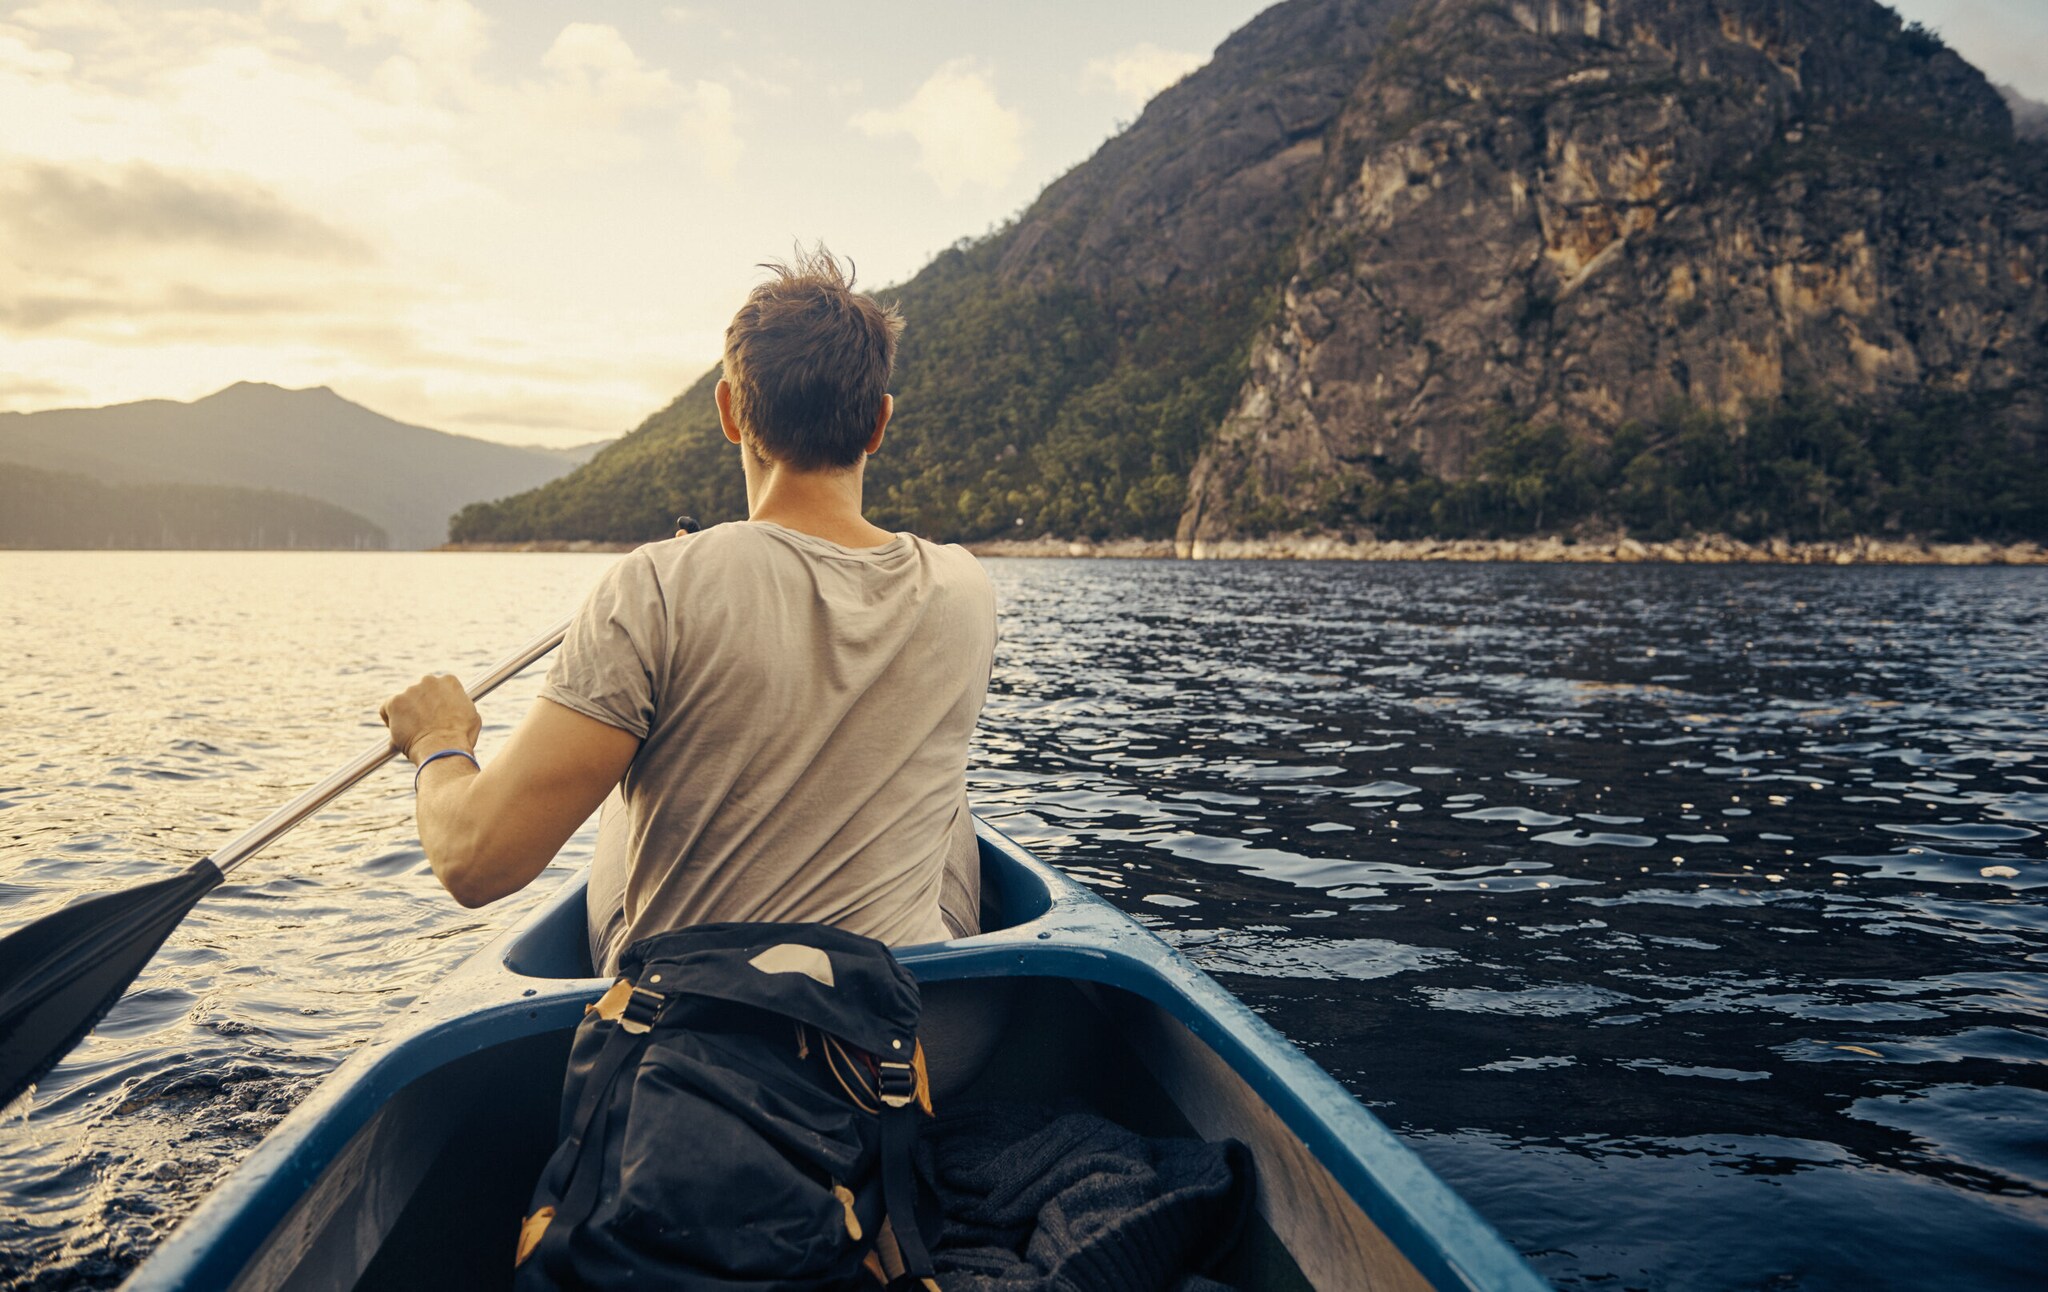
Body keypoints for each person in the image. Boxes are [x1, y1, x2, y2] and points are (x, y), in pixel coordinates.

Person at [379, 248, 996, 973]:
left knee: (621, 780)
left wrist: (439, 744)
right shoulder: (965, 588)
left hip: (687, 1041)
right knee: (945, 792)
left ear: (731, 412)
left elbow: (476, 863)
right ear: (877, 423)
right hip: (905, 1043)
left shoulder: (655, 587)